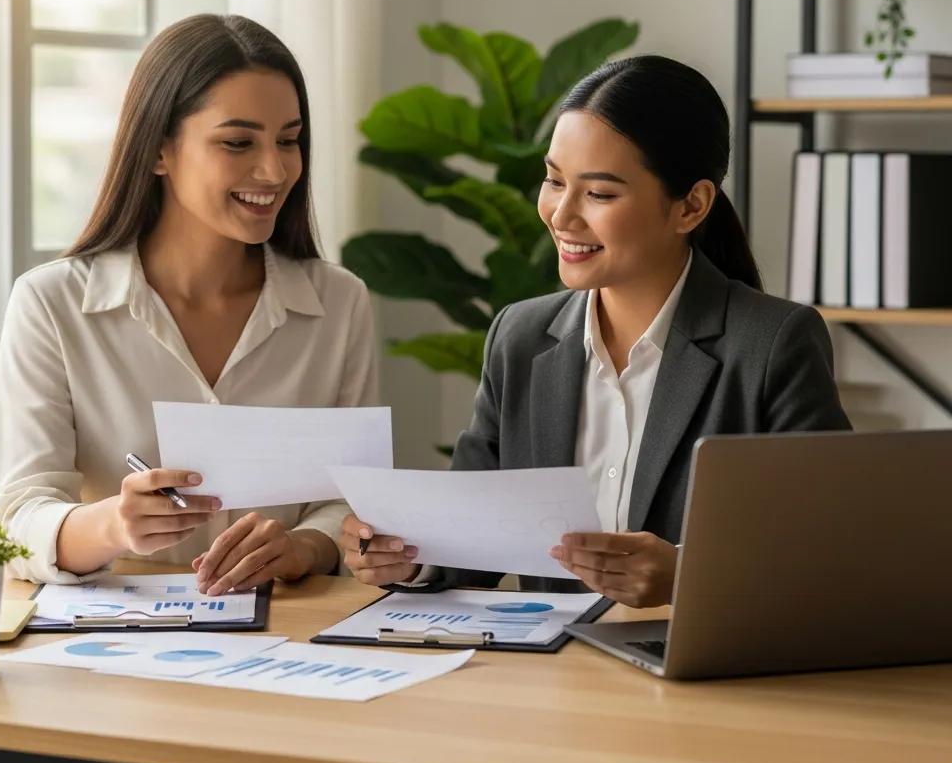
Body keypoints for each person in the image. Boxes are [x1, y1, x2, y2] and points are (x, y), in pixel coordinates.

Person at [339, 55, 851, 605]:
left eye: (599, 193)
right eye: (554, 181)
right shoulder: (520, 337)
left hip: (695, 677)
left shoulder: (773, 345)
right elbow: (470, 547)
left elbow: (833, 554)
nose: (561, 214)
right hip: (557, 673)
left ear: (691, 205)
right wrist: (403, 555)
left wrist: (688, 575)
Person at [0, 14, 376, 593]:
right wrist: (114, 523)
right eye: (238, 142)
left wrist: (298, 548)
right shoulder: (52, 304)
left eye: (289, 140)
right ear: (158, 151)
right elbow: (18, 521)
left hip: (293, 636)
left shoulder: (339, 302)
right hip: (116, 646)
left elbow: (350, 497)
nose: (274, 170)